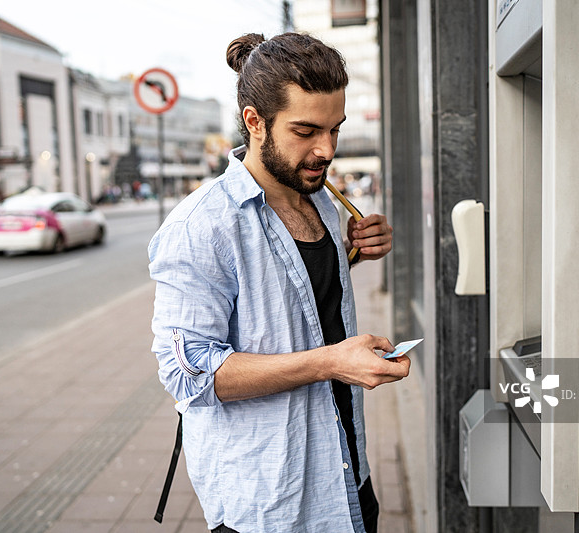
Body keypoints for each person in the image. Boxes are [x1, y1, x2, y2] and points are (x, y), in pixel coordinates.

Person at [148, 32, 410, 533]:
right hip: (269, 503)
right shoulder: (201, 227)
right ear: (255, 122)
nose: (326, 150)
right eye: (306, 130)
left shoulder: (323, 202)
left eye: (335, 129)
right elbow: (189, 374)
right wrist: (330, 361)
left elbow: (289, 292)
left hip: (347, 474)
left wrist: (353, 251)